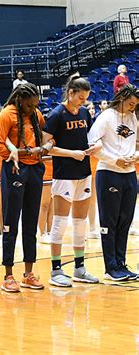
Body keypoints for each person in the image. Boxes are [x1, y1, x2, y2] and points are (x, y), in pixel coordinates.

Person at [42, 75, 100, 287]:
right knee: (60, 222)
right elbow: (45, 146)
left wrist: (93, 147)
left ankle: (79, 268)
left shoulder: (84, 113)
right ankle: (56, 270)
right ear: (70, 93)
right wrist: (71, 153)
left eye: (85, 98)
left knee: (79, 222)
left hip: (83, 172)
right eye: (80, 97)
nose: (83, 102)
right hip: (64, 174)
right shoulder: (57, 114)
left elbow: (89, 137)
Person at [0, 82, 51, 292]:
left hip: (35, 170)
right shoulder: (7, 114)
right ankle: (8, 275)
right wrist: (27, 151)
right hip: (14, 170)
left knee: (30, 222)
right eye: (29, 105)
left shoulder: (36, 114)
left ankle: (28, 273)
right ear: (19, 100)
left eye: (35, 104)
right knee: (10, 223)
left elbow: (46, 135)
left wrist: (46, 146)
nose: (32, 108)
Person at [88, 84, 139, 281]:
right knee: (109, 222)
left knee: (125, 221)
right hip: (108, 172)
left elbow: (135, 144)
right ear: (122, 98)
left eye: (135, 105)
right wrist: (113, 159)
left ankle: (121, 263)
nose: (133, 107)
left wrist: (134, 156)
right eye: (131, 103)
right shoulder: (106, 117)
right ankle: (110, 267)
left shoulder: (133, 118)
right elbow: (91, 143)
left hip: (129, 174)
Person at [38, 156, 53, 244]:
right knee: (44, 205)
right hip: (44, 174)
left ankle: (50, 232)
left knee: (52, 206)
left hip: (55, 173)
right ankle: (42, 233)